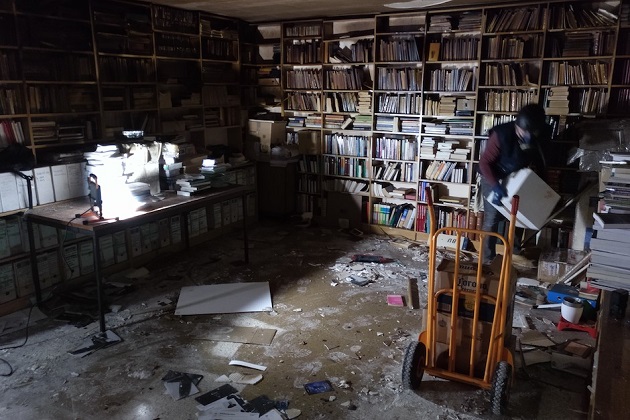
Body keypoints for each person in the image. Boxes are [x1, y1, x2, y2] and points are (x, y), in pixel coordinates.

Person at [478, 103, 549, 264]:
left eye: (531, 133)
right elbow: (484, 163)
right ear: (517, 126)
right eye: (524, 132)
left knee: (517, 216)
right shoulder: (501, 134)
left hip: (517, 176)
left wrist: (544, 187)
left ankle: (515, 254)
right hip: (493, 175)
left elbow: (541, 163)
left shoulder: (539, 136)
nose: (527, 136)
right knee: (492, 219)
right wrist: (495, 186)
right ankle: (487, 260)